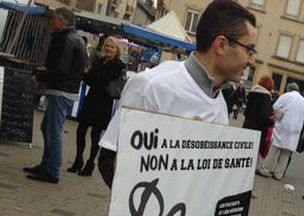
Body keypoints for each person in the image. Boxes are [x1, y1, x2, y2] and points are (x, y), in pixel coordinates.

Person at [98, 0, 257, 188]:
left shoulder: (220, 101)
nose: (252, 61)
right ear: (221, 45)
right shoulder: (152, 86)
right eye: (249, 50)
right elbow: (110, 160)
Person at [23, 8, 86, 184]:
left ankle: (52, 171)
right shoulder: (75, 38)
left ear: (62, 21)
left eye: (54, 19)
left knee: (54, 131)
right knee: (48, 128)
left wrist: (40, 75)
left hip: (61, 90)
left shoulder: (66, 39)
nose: (52, 22)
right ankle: (46, 165)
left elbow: (60, 70)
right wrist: (47, 70)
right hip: (66, 90)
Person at [67, 36, 125, 176]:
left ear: (117, 50)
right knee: (81, 129)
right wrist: (93, 76)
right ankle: (78, 159)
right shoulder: (99, 61)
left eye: (112, 47)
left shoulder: (117, 65)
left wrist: (92, 76)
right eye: (107, 46)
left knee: (95, 134)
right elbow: (88, 78)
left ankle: (90, 162)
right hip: (92, 99)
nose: (109, 49)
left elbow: (101, 80)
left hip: (103, 102)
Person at [256, 83, 304, 180]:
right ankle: (278, 174)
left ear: (289, 89)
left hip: (283, 125)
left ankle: (265, 170)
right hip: (295, 129)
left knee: (274, 148)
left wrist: (278, 116)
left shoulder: (286, 96)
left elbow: (276, 107)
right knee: (286, 152)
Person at [243, 75, 274, 164]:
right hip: (258, 130)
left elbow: (246, 111)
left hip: (247, 125)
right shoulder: (265, 97)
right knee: (253, 155)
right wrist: (271, 121)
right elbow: (264, 117)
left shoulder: (252, 93)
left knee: (244, 152)